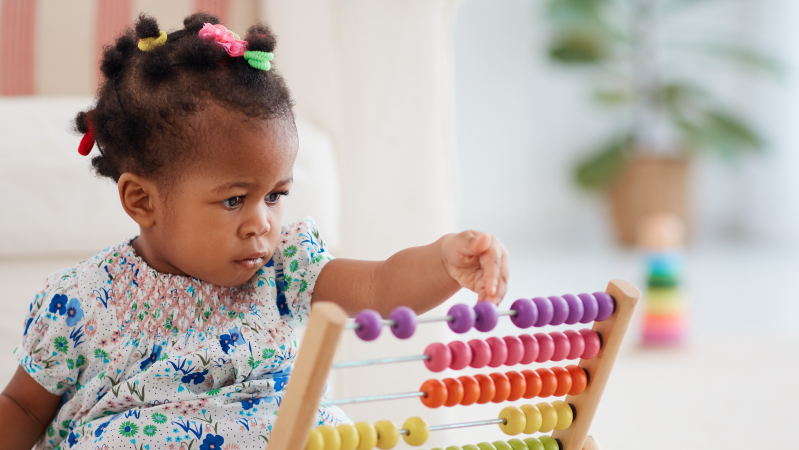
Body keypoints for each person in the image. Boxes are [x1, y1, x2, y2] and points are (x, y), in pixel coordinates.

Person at [0, 13, 509, 450]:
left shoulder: (286, 269)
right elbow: (22, 407)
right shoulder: (81, 302)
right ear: (142, 201)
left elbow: (381, 286)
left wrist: (443, 262)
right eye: (232, 200)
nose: (261, 222)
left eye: (275, 196)